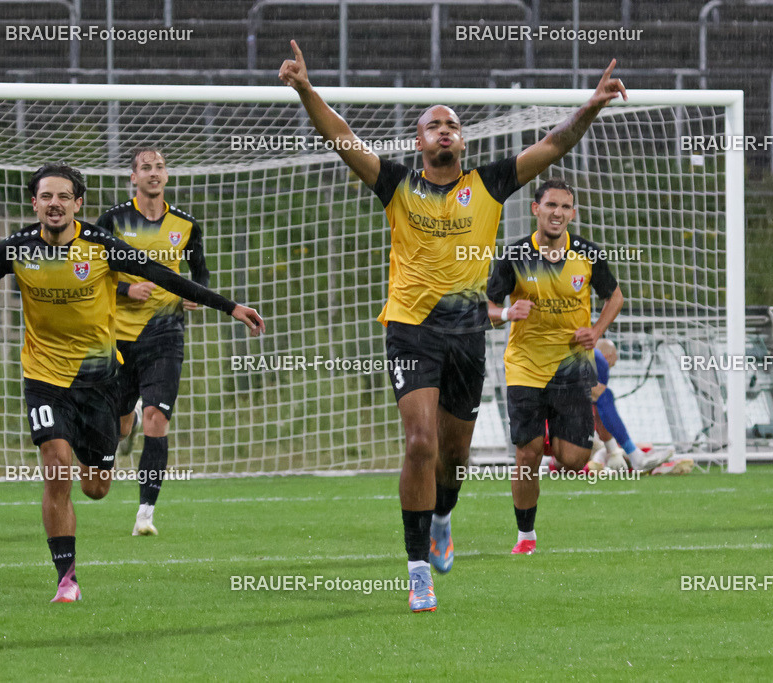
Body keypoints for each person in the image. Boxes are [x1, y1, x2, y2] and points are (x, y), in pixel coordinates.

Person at [279, 39, 627, 611]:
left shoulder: (489, 183)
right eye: (433, 124)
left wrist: (589, 106)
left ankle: (443, 517)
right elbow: (342, 138)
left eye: (453, 124)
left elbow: (554, 143)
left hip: (467, 336)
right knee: (419, 442)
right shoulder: (396, 184)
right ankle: (418, 568)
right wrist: (306, 89)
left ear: (462, 141)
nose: (444, 129)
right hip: (410, 328)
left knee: (454, 457)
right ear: (419, 141)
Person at [0, 162, 264, 603]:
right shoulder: (16, 248)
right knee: (55, 467)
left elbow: (165, 277)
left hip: (100, 380)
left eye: (64, 197)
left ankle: (121, 425)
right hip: (44, 377)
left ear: (78, 204)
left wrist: (231, 307)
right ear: (34, 203)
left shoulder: (102, 246)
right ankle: (66, 580)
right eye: (46, 197)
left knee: (96, 487)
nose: (55, 204)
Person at [487, 178, 653, 556]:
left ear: (572, 213)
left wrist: (596, 331)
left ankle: (548, 436)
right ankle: (525, 537)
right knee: (526, 455)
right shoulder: (514, 255)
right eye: (551, 205)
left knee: (573, 457)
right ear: (536, 209)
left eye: (565, 207)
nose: (557, 213)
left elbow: (615, 296)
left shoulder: (587, 254)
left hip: (572, 368)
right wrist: (508, 312)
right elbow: (487, 307)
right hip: (525, 367)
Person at [96, 148, 210, 536]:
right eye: (146, 168)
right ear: (133, 177)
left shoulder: (186, 225)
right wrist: (127, 289)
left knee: (156, 419)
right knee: (122, 427)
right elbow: (91, 276)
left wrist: (198, 293)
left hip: (165, 335)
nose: (154, 173)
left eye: (160, 167)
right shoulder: (112, 221)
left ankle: (145, 513)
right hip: (118, 338)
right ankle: (118, 438)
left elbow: (201, 273)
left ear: (166, 176)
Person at [587, 339, 683, 473]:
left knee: (596, 452)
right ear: (609, 356)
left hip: (562, 433)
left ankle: (647, 461)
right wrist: (612, 450)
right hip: (574, 435)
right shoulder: (598, 361)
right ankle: (640, 459)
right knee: (593, 453)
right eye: (613, 362)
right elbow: (599, 407)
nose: (612, 365)